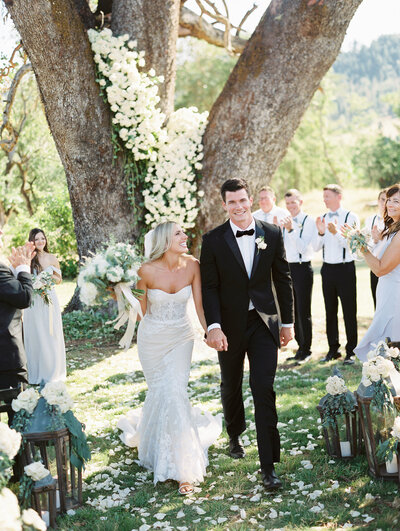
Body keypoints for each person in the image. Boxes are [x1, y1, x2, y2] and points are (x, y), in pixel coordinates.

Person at [200, 178, 294, 491]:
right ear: (224, 205)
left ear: (250, 199)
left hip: (264, 323)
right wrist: (213, 326)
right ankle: (235, 433)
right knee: (231, 384)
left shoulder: (272, 233)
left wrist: (287, 322)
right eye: (232, 203)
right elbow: (210, 287)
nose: (238, 207)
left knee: (262, 387)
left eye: (243, 201)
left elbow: (283, 279)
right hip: (228, 326)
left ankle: (269, 467)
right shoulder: (213, 240)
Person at [117, 222, 221, 495]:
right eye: (178, 233)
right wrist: (122, 292)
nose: (185, 236)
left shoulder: (193, 265)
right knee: (161, 394)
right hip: (152, 341)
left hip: (181, 337)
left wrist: (212, 330)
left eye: (184, 232)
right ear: (164, 240)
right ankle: (155, 448)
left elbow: (199, 307)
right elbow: (139, 313)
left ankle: (183, 470)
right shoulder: (145, 271)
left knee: (175, 394)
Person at [314, 184, 360, 365]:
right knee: (330, 310)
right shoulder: (323, 218)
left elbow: (352, 246)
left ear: (338, 197)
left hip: (345, 269)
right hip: (327, 270)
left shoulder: (351, 217)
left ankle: (351, 350)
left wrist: (336, 233)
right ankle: (333, 348)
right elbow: (316, 248)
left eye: (327, 196)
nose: (324, 199)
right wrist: (320, 232)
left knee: (349, 311)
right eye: (323, 196)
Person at [354, 184, 400, 361]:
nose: (390, 204)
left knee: (390, 341)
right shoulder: (390, 230)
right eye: (389, 200)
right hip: (385, 292)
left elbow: (381, 269)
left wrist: (362, 248)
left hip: (395, 295)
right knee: (386, 342)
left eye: (396, 201)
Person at [23, 228, 66, 384]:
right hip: (34, 301)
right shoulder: (29, 258)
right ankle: (36, 371)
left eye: (42, 238)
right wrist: (36, 283)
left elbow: (59, 279)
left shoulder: (52, 257)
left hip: (49, 299)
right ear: (32, 241)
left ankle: (53, 370)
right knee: (36, 333)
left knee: (50, 332)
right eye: (36, 239)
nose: (40, 241)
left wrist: (47, 281)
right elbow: (24, 279)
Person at [0, 229, 34, 420]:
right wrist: (22, 269)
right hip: (6, 358)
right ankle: (21, 449)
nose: (1, 231)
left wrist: (13, 271)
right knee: (19, 413)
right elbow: (24, 297)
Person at [282, 189, 317, 362]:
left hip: (302, 268)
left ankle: (307, 349)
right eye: (287, 203)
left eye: (293, 202)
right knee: (293, 310)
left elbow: (304, 248)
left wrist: (291, 230)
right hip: (287, 269)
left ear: (300, 202)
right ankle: (299, 346)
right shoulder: (285, 221)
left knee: (304, 310)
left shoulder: (308, 221)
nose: (290, 206)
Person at [364, 189, 387, 308]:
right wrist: (375, 240)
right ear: (378, 201)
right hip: (374, 266)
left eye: (388, 200)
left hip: (391, 266)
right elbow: (367, 245)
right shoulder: (370, 220)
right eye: (382, 199)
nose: (385, 203)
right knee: (377, 304)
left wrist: (382, 239)